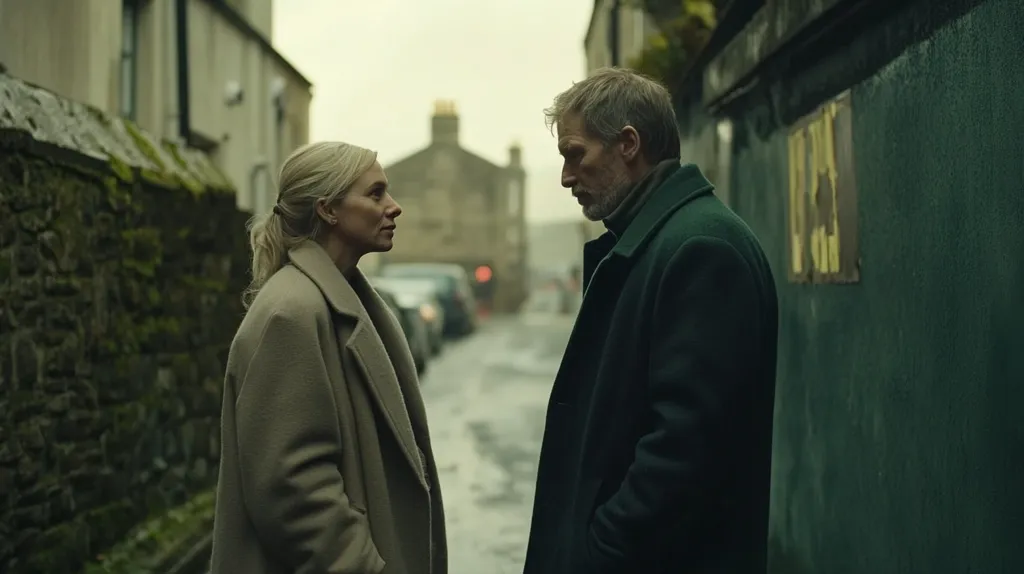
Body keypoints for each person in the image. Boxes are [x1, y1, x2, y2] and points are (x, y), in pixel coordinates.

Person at [522, 67, 779, 574]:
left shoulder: (700, 248)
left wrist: (599, 550)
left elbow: (685, 450)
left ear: (628, 144)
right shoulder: (660, 240)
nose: (566, 177)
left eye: (576, 154)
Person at [210, 142, 447, 574]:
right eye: (375, 194)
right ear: (328, 210)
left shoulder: (340, 298)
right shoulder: (292, 312)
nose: (394, 207)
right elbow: (292, 489)